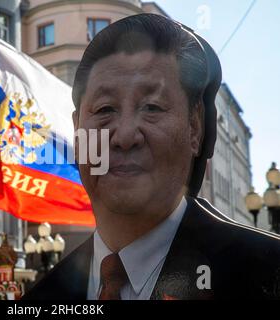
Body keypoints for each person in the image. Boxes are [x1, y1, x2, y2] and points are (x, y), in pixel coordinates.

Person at [22, 14, 280, 300]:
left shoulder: (266, 275)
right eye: (105, 109)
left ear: (194, 128)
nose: (124, 137)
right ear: (77, 130)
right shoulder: (44, 296)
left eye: (152, 107)